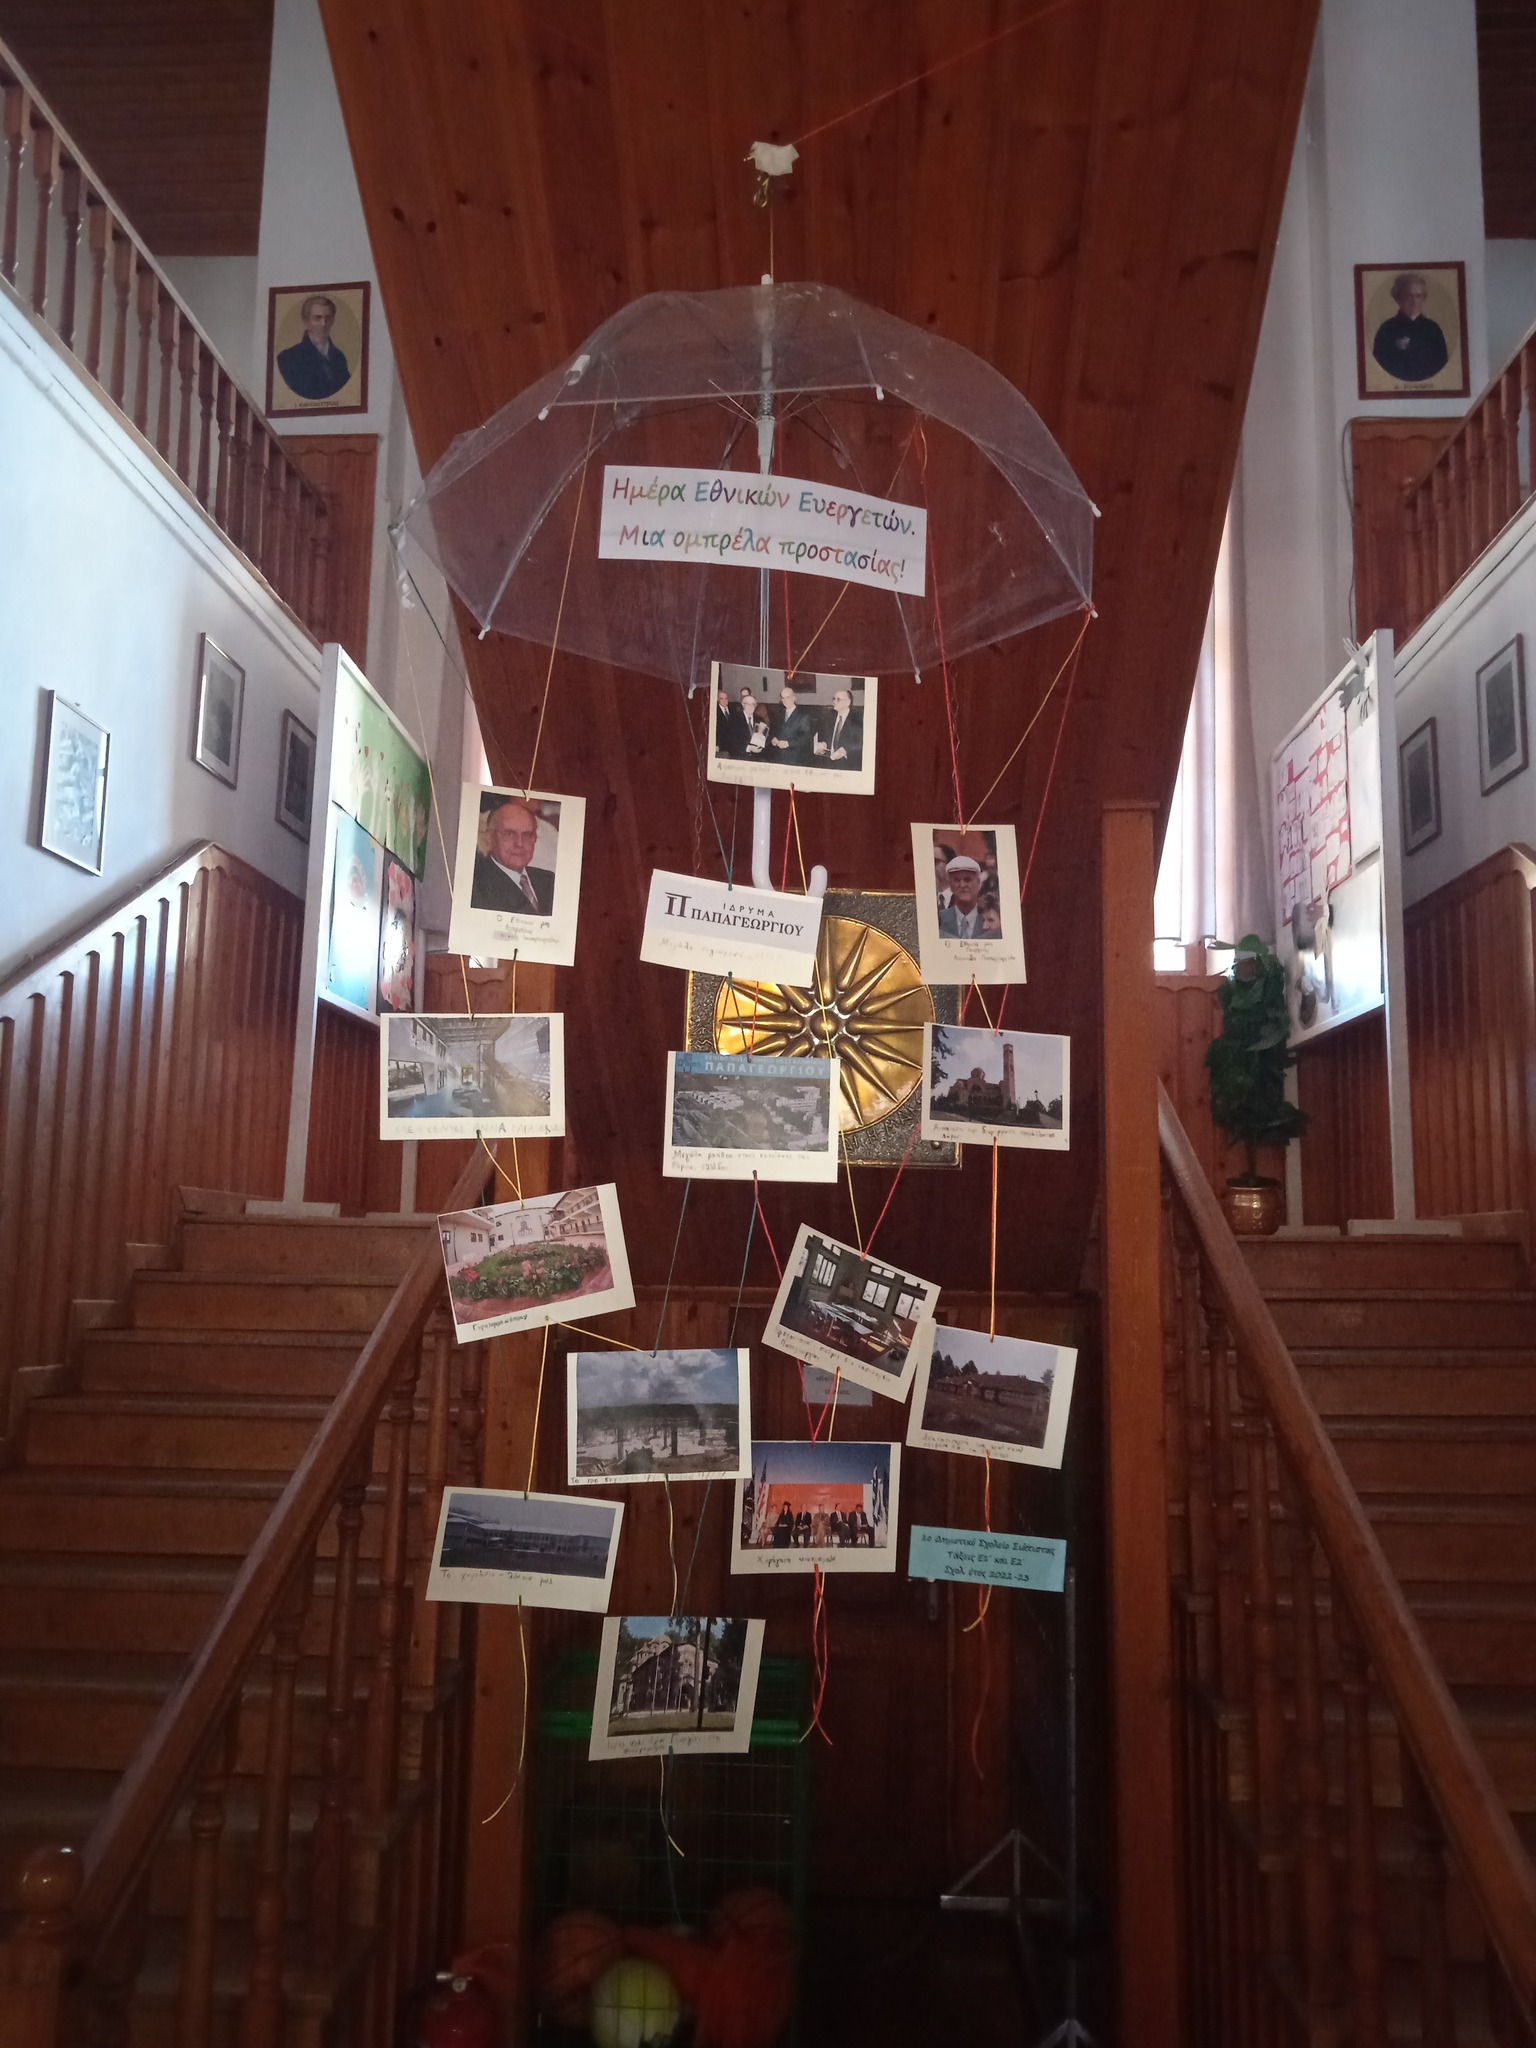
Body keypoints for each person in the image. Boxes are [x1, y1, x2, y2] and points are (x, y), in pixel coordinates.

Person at [469, 798, 555, 914]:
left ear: (535, 839)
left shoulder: (548, 880)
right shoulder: (476, 886)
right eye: (510, 834)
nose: (519, 844)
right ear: (490, 837)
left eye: (527, 835)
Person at [1371, 272, 1449, 385]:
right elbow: (1379, 368)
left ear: (1423, 299)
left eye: (1418, 296)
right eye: (1409, 295)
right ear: (1399, 298)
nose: (1414, 301)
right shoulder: (1386, 329)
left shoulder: (1433, 329)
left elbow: (1441, 366)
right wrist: (1397, 350)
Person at [276, 294, 352, 402]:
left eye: (328, 318)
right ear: (305, 322)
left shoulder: (339, 357)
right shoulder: (287, 358)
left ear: (333, 321)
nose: (323, 324)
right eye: (317, 318)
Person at [938, 854, 997, 939]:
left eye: (967, 880)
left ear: (978, 883)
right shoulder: (939, 919)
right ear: (950, 885)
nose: (962, 885)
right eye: (957, 880)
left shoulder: (990, 920)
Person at [813, 687, 864, 769]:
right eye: (834, 699)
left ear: (848, 702)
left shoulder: (857, 719)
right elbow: (826, 737)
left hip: (848, 763)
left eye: (838, 699)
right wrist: (824, 744)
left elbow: (860, 742)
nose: (834, 702)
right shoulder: (829, 716)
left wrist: (845, 750)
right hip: (829, 762)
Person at [770, 683, 815, 766]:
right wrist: (773, 739)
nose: (785, 700)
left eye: (788, 697)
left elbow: (807, 737)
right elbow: (773, 730)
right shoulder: (778, 713)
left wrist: (788, 743)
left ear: (794, 698)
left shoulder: (803, 715)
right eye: (783, 698)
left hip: (795, 757)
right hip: (778, 757)